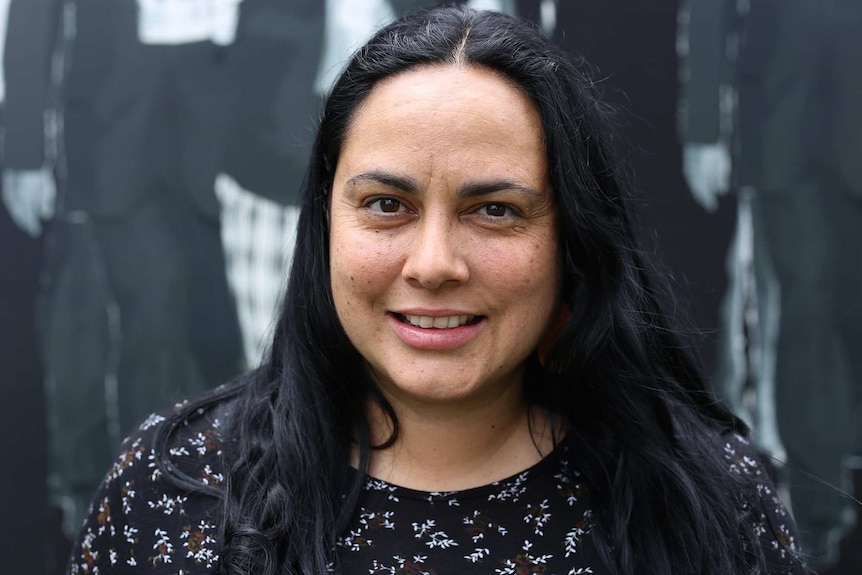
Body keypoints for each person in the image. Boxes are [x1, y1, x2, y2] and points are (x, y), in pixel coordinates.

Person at [67, 7, 809, 575]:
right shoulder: (174, 490)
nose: (433, 264)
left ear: (573, 237)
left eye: (495, 210)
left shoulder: (708, 500)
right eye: (387, 205)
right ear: (325, 226)